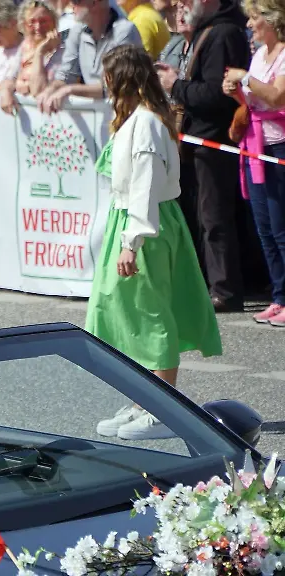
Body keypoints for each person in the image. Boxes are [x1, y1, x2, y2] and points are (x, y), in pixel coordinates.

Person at [89, 45, 221, 441]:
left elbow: (145, 185)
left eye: (109, 75)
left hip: (144, 225)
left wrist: (133, 240)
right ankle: (142, 403)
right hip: (131, 222)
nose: (105, 83)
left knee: (150, 315)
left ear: (121, 78)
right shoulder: (138, 119)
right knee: (125, 312)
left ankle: (162, 408)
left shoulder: (145, 122)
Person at [155, 0, 250, 313]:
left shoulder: (222, 33)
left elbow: (215, 95)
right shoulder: (207, 31)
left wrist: (176, 86)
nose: (181, 2)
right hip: (198, 139)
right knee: (201, 217)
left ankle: (225, 289)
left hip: (213, 138)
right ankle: (207, 283)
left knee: (215, 217)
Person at [222, 0, 285, 327]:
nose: (249, 25)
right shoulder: (260, 55)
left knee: (281, 225)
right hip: (256, 143)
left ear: (272, 20)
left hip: (278, 146)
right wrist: (236, 92)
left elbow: (276, 97)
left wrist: (245, 77)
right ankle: (279, 295)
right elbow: (255, 98)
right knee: (263, 226)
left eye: (254, 18)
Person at [38, 0, 142, 113]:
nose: (71, 5)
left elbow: (113, 87)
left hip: (126, 113)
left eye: (76, 1)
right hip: (96, 114)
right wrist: (50, 90)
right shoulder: (77, 31)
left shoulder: (125, 31)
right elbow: (65, 75)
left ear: (94, 3)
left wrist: (69, 90)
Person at [0, 0, 63, 113]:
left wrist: (40, 52)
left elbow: (38, 90)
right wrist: (6, 90)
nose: (38, 27)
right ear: (23, 25)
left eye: (44, 21)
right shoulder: (24, 47)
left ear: (54, 22)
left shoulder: (62, 51)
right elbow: (9, 78)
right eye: (32, 22)